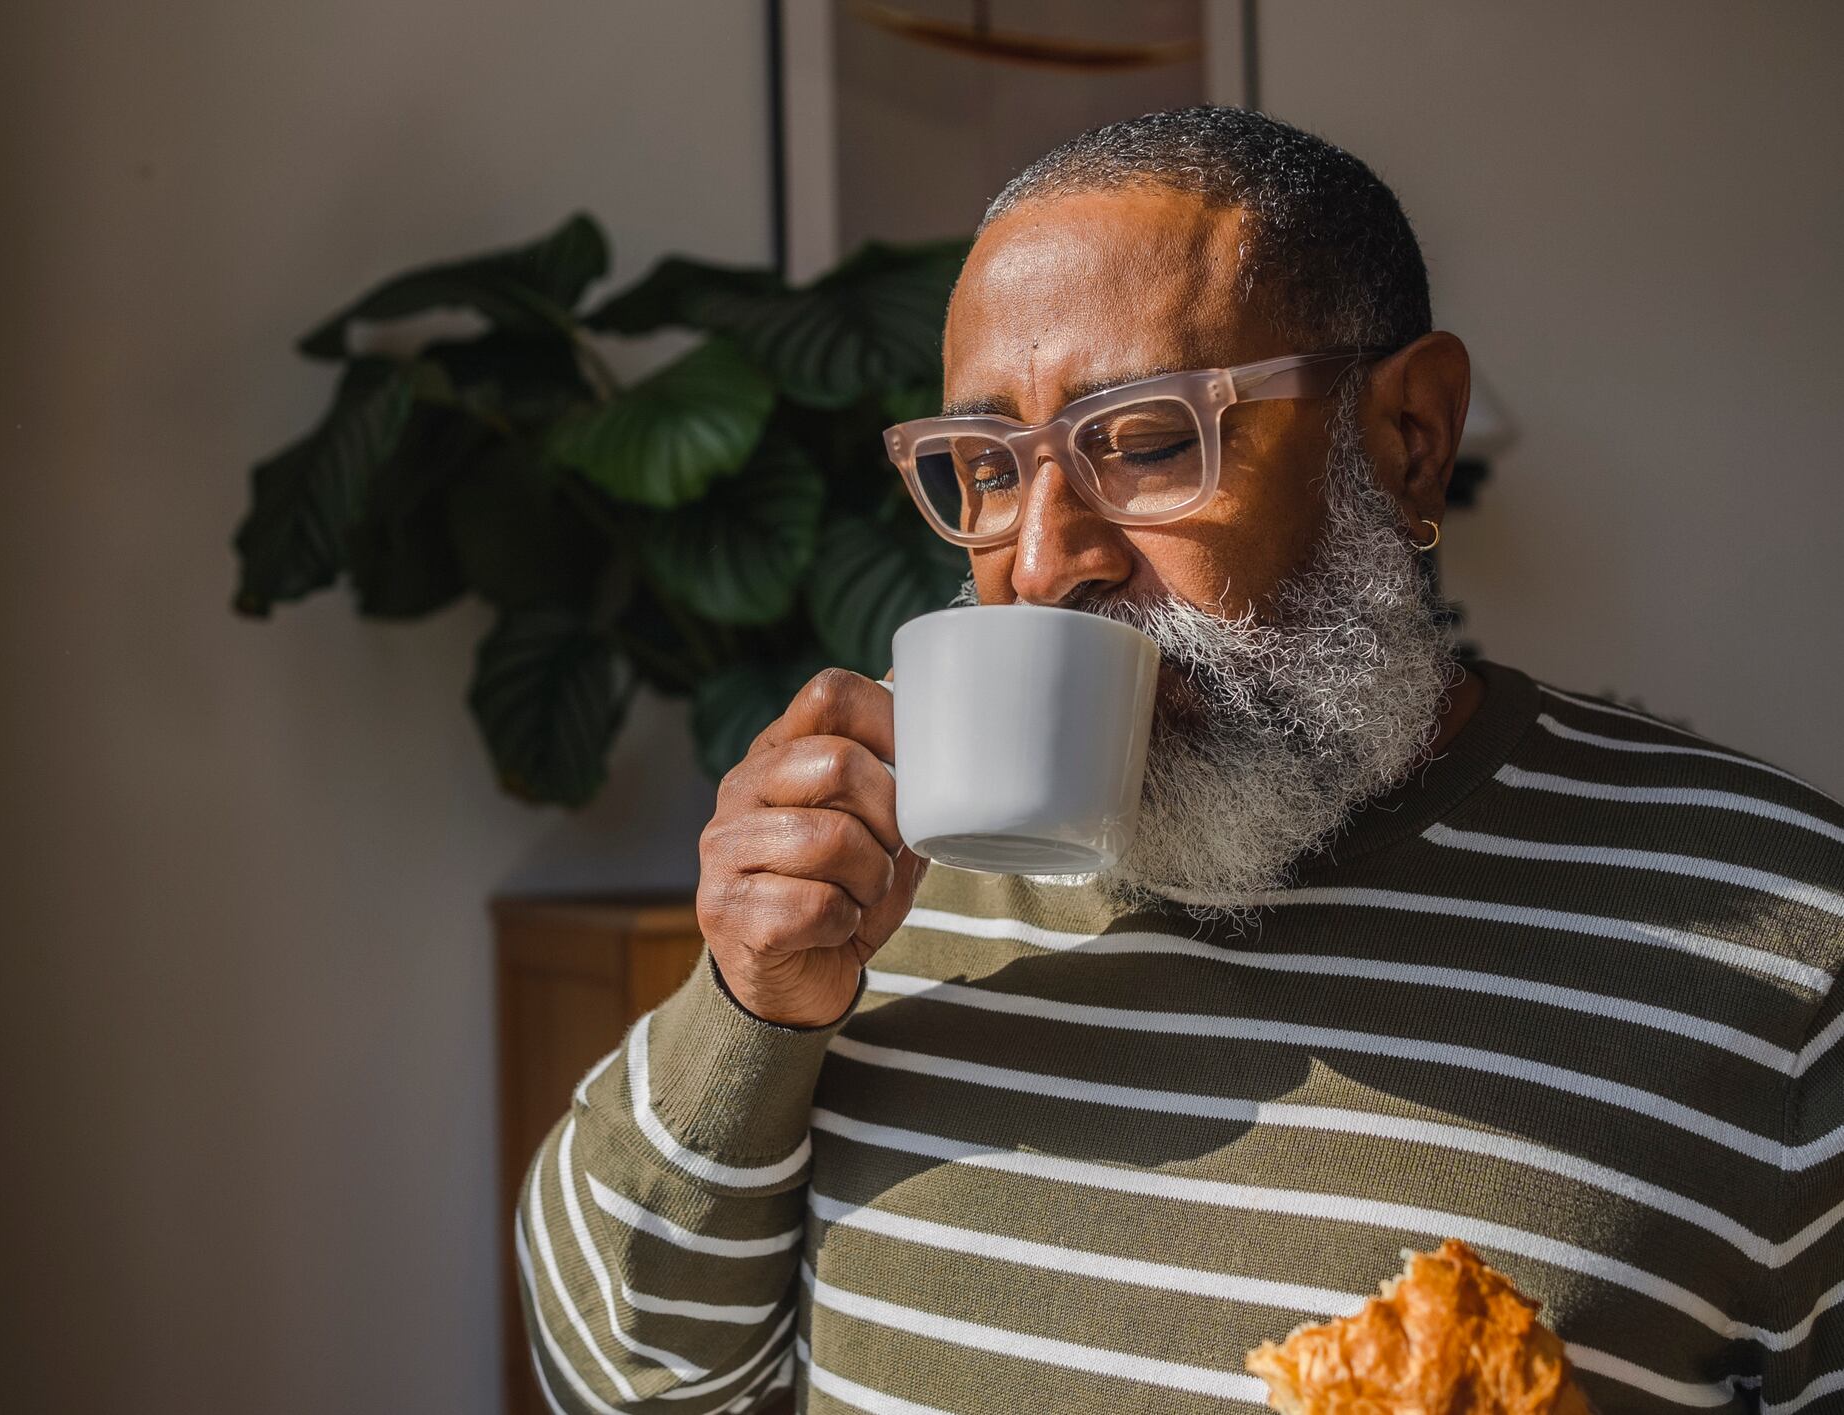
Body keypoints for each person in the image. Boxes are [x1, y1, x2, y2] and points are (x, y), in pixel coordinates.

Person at [514, 106, 1844, 1415]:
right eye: (982, 467)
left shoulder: (1788, 956)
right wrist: (747, 1007)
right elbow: (619, 1380)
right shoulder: (873, 893)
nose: (1037, 563)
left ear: (1407, 438)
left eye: (1147, 443)